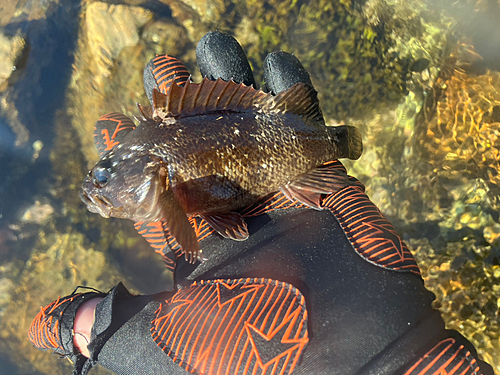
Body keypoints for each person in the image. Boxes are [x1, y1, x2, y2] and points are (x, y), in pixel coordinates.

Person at [28, 31, 494, 375]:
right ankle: (330, 139)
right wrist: (408, 355)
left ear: (151, 178)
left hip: (282, 153)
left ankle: (331, 140)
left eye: (106, 178)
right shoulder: (157, 167)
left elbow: (187, 228)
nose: (98, 190)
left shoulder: (164, 183)